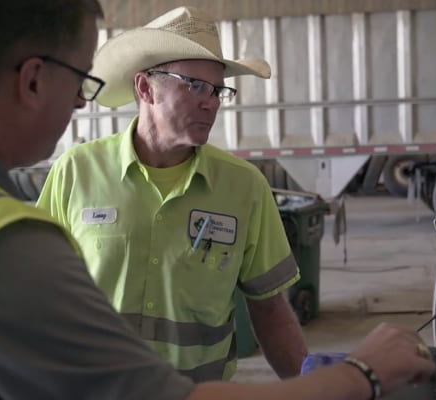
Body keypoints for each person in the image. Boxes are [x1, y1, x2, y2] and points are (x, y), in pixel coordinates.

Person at [0, 1, 434, 399]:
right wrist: (361, 372)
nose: (82, 103)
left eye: (217, 92)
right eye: (81, 79)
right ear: (34, 78)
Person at [36, 6, 306, 382]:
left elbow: (271, 311)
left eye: (217, 90)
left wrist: (315, 388)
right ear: (145, 87)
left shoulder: (244, 187)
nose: (210, 102)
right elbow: (40, 293)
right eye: (195, 85)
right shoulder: (76, 171)